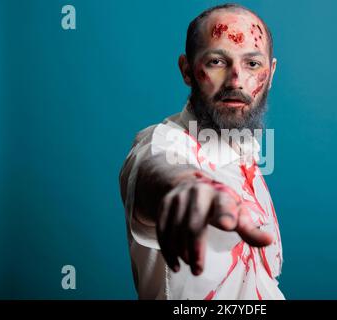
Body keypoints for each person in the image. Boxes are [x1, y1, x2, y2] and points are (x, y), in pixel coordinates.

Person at [119, 3, 283, 299]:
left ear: (270, 74)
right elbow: (154, 168)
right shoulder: (164, 143)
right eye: (217, 62)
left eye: (252, 64)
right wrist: (186, 187)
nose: (235, 80)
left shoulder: (246, 153)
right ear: (187, 70)